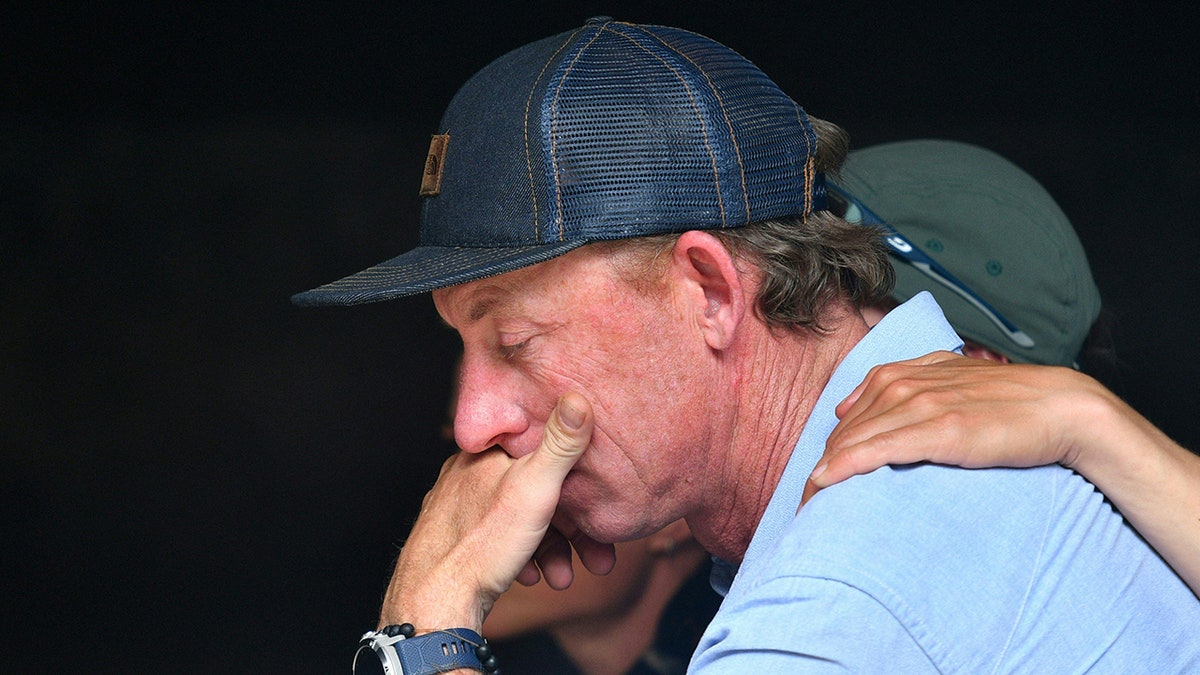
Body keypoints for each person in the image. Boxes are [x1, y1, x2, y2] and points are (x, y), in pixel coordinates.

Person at [294, 18, 1200, 673]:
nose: (471, 421)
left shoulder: (838, 605)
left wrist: (425, 632)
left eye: (518, 339)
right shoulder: (908, 489)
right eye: (466, 344)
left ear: (713, 291)